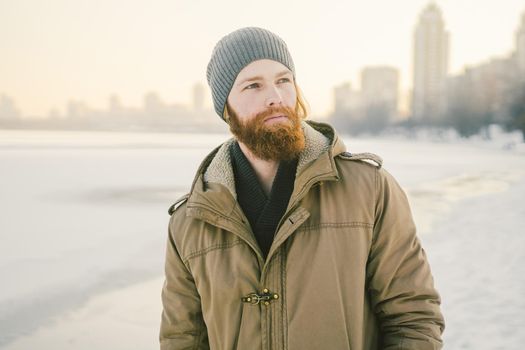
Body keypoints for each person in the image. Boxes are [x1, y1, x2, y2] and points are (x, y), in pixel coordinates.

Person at [160, 27, 444, 350]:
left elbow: (414, 319)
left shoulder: (369, 190)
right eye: (253, 85)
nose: (276, 97)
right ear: (226, 109)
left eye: (283, 81)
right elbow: (181, 340)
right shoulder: (191, 222)